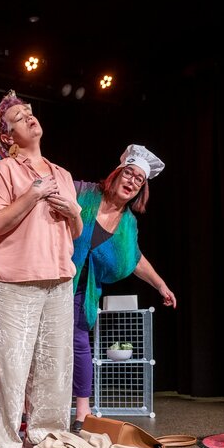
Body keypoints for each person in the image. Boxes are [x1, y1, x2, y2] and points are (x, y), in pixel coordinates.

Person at [0, 90, 83, 448]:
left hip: (57, 277)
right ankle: (1, 441)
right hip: (13, 279)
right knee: (10, 363)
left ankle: (46, 433)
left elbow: (74, 231)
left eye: (31, 113)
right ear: (7, 137)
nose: (30, 119)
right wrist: (33, 195)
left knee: (54, 363)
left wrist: (73, 211)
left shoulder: (64, 175)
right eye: (20, 118)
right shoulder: (4, 171)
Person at [70, 144, 177, 432]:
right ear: (116, 174)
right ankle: (32, 408)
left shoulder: (128, 224)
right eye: (128, 174)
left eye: (139, 180)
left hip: (83, 290)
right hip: (54, 279)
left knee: (79, 344)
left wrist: (160, 284)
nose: (132, 181)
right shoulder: (84, 192)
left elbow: (133, 258)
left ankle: (83, 412)